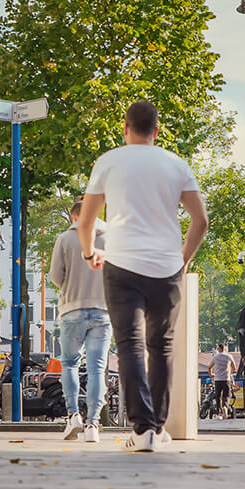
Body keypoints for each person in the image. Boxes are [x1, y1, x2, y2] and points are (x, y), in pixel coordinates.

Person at [77, 100, 209, 453]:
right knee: (161, 346)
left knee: (130, 345)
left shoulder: (109, 161)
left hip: (121, 264)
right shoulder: (175, 164)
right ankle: (158, 428)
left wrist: (90, 253)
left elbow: (86, 220)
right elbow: (201, 221)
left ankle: (143, 430)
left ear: (125, 128)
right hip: (166, 267)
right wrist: (182, 259)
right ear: (157, 129)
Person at [48, 197, 111, 443]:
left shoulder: (65, 239)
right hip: (103, 310)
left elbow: (56, 276)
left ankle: (73, 416)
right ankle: (93, 424)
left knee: (70, 364)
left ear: (74, 217)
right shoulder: (111, 238)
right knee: (97, 368)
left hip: (72, 309)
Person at [209, 344, 233, 419]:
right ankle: (225, 407)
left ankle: (218, 412)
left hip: (217, 379)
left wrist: (211, 375)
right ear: (224, 348)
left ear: (219, 349)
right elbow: (234, 368)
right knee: (226, 395)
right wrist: (229, 373)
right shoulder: (229, 356)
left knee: (218, 396)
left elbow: (209, 367)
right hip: (226, 379)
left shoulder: (215, 357)